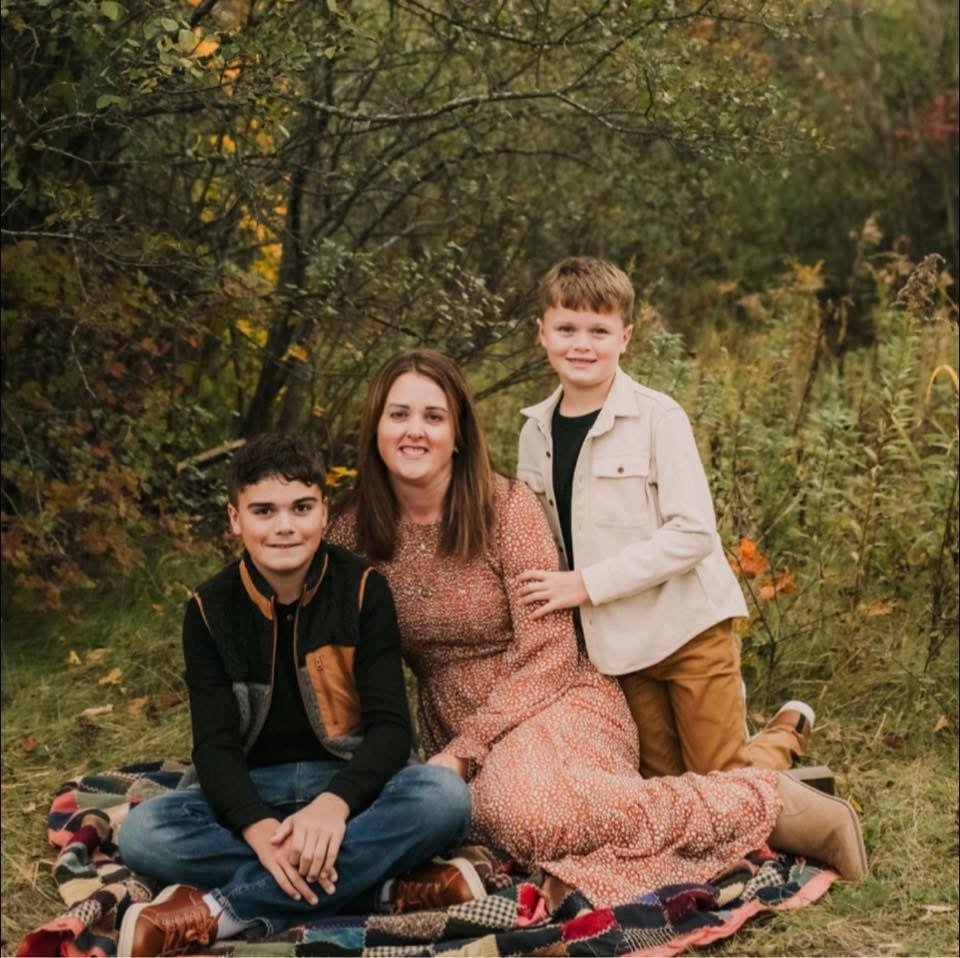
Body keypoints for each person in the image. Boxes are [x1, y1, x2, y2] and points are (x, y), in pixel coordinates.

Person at [327, 348, 867, 911]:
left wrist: (466, 751)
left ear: (458, 432)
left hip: (555, 695)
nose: (415, 431)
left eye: (433, 417)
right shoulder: (349, 530)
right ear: (376, 428)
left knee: (528, 812)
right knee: (496, 815)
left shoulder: (504, 507)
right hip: (456, 712)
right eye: (399, 415)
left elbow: (551, 649)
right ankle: (739, 794)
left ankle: (764, 801)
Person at [116, 434, 482, 958]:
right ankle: (381, 886)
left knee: (444, 797)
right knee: (145, 833)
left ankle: (224, 911)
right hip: (254, 789)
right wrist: (259, 827)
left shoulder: (363, 590)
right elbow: (215, 748)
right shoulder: (208, 610)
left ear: (324, 513)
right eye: (263, 510)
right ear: (235, 519)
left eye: (301, 508)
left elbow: (390, 730)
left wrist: (334, 807)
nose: (284, 526)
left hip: (351, 787)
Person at [515, 256, 814, 779]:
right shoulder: (533, 433)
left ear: (625, 337)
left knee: (721, 783)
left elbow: (694, 533)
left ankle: (787, 733)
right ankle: (768, 738)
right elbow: (541, 539)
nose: (581, 344)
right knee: (666, 789)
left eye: (598, 330)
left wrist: (586, 584)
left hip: (690, 629)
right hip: (620, 649)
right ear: (542, 333)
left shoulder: (657, 417)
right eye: (566, 328)